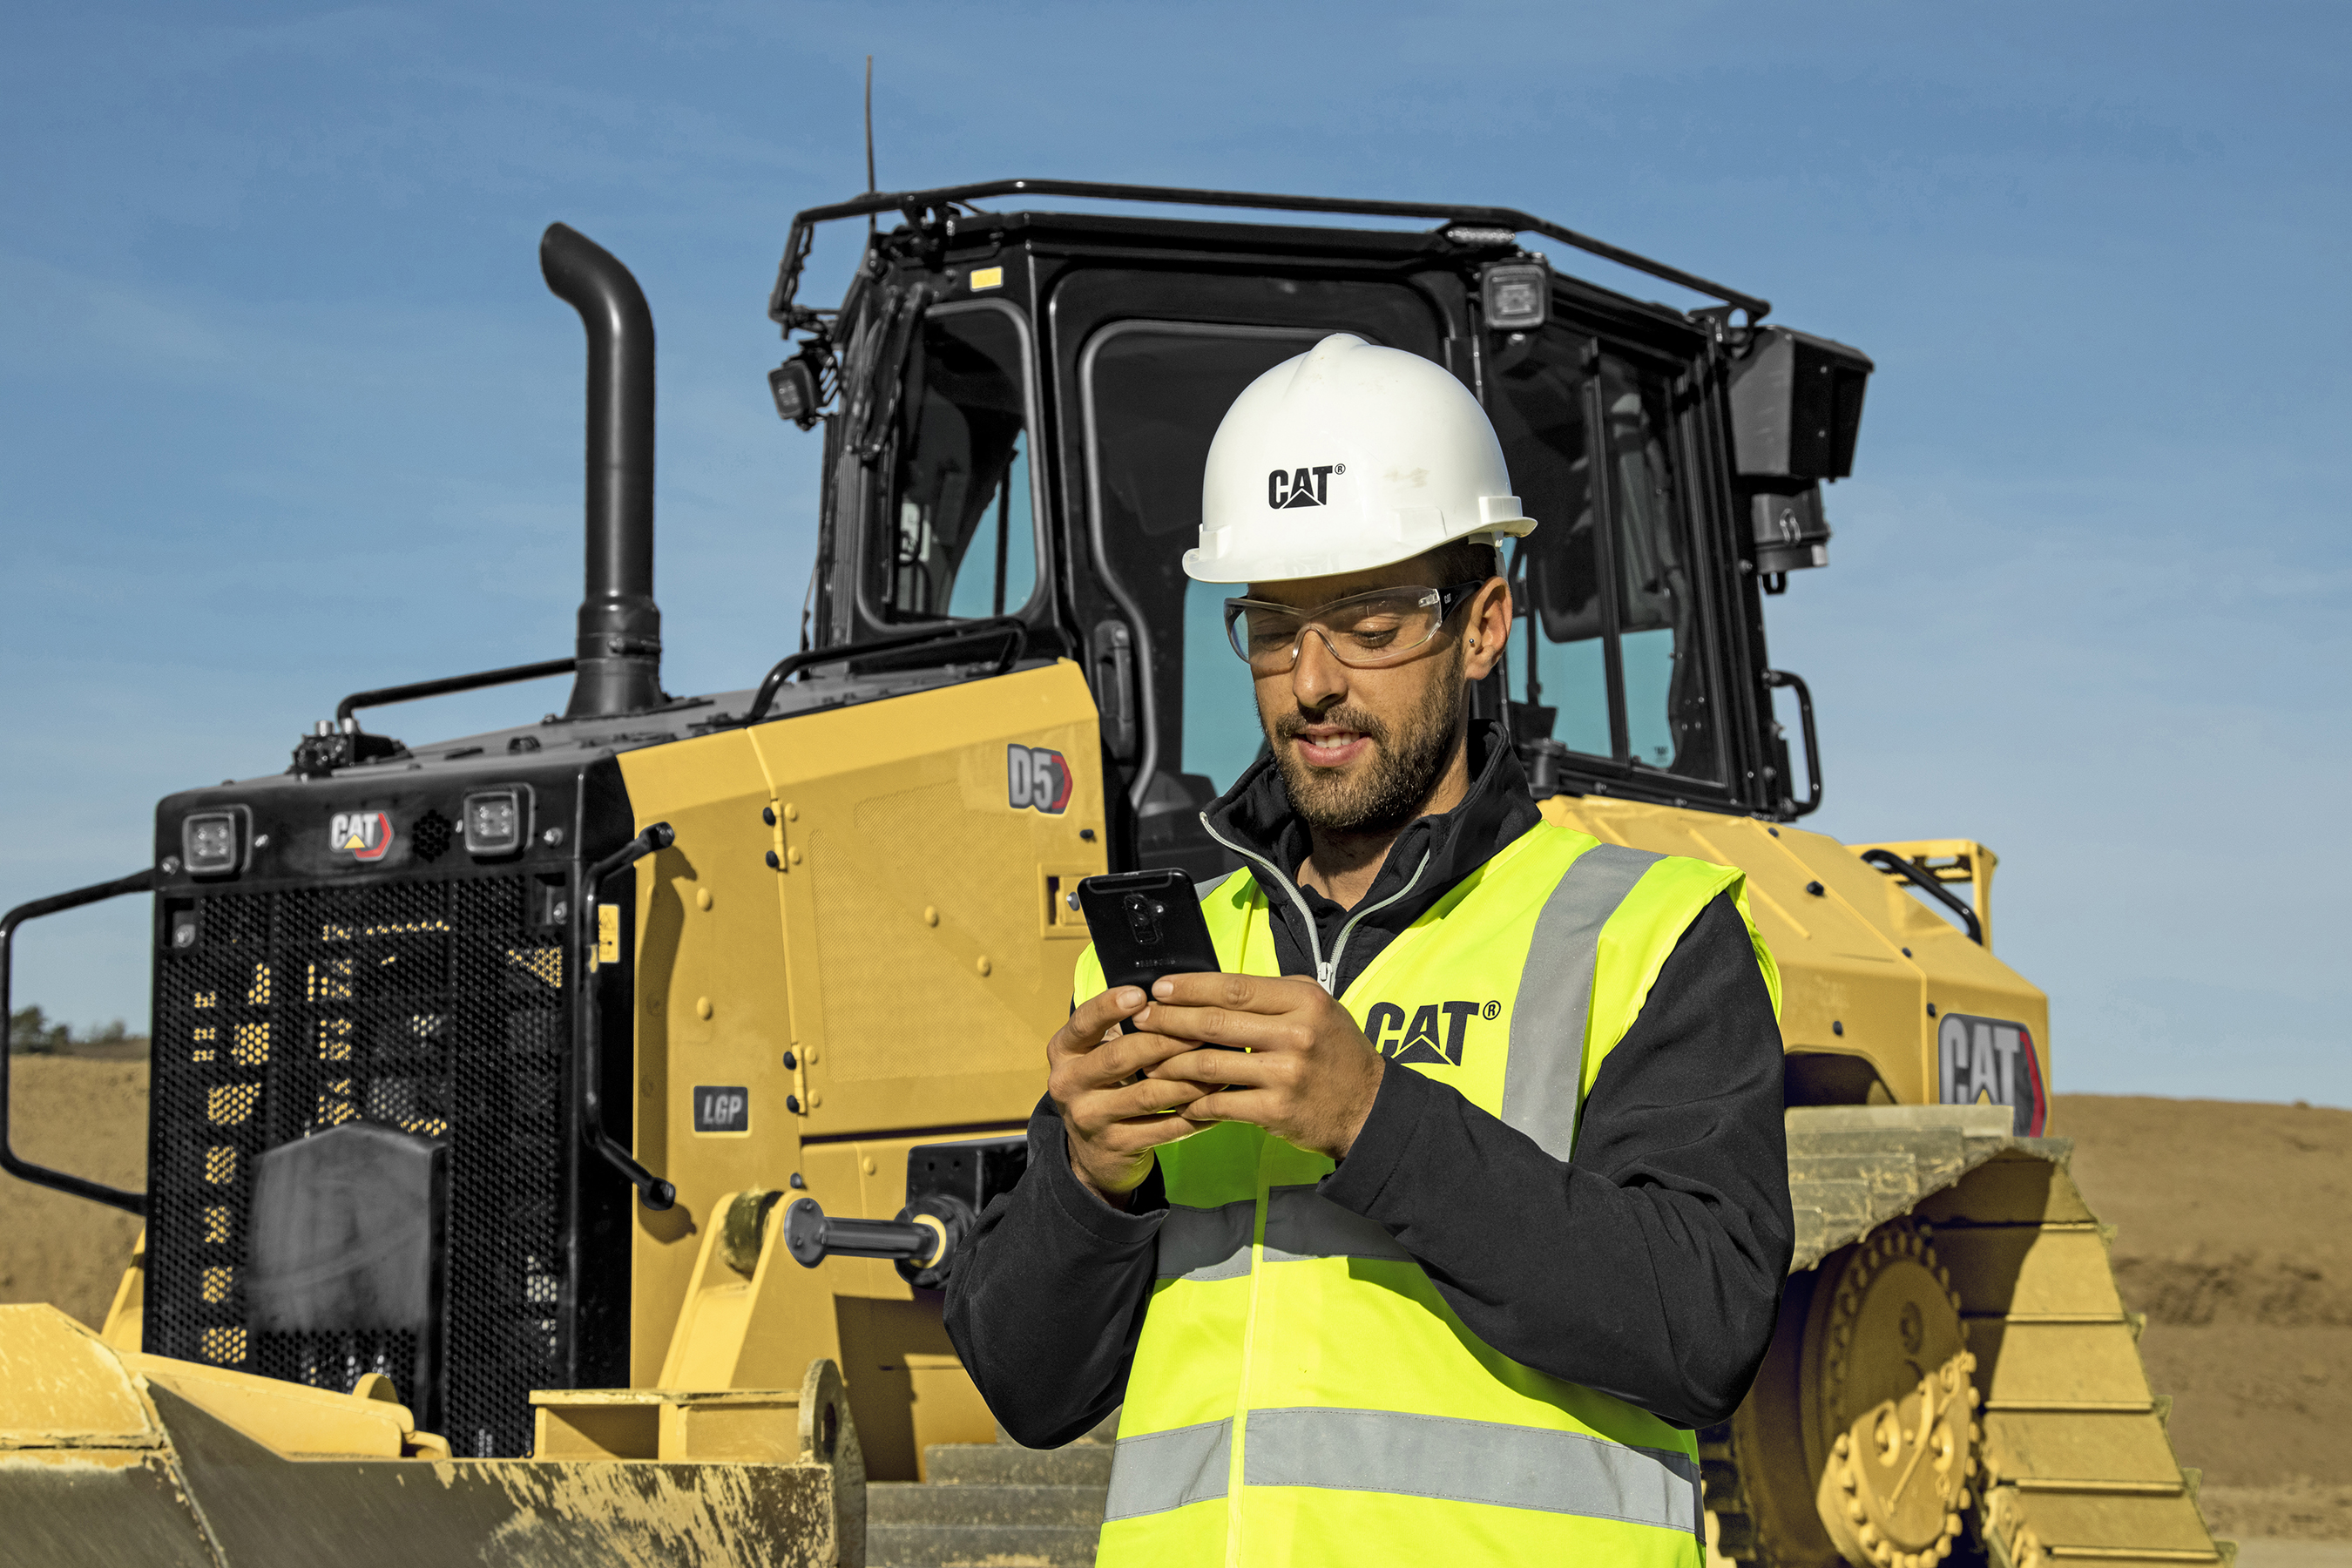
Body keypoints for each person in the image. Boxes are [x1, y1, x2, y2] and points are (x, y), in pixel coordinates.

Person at [944, 333, 1792, 1566]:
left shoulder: (1645, 934)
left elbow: (1704, 1329)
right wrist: (1090, 1181)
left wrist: (1373, 1120)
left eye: (1371, 623)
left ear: (1486, 623)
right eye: (1276, 630)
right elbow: (1029, 1392)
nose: (1313, 683)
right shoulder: (1167, 957)